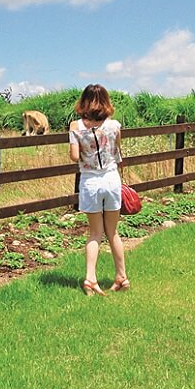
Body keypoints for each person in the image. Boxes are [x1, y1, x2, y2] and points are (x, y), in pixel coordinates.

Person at [68, 84, 128, 296]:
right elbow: (118, 154)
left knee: (95, 233)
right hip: (111, 180)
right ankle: (121, 276)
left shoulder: (76, 127)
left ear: (84, 101)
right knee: (113, 232)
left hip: (90, 182)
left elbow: (74, 157)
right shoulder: (114, 126)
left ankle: (90, 279)